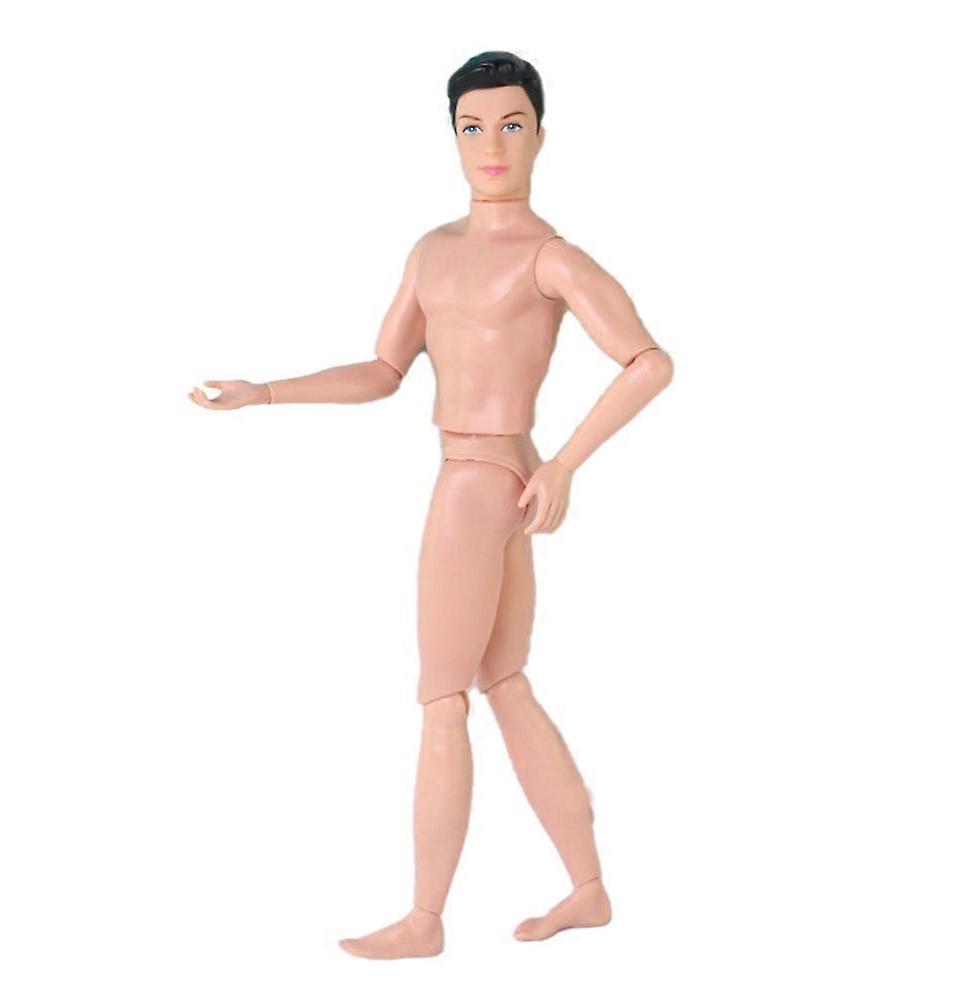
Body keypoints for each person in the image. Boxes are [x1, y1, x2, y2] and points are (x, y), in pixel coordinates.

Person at [189, 50, 674, 959]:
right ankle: (589, 889)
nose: (492, 144)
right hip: (492, 474)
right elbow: (384, 369)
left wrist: (566, 463)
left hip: (479, 482)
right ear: (452, 135)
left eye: (512, 125)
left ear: (541, 135)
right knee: (505, 682)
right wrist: (266, 392)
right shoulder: (433, 252)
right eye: (473, 126)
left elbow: (649, 361)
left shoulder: (550, 258)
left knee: (442, 696)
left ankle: (424, 919)